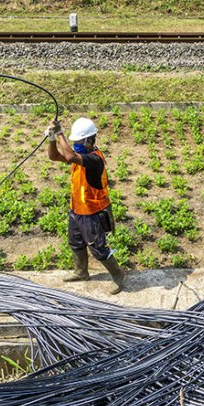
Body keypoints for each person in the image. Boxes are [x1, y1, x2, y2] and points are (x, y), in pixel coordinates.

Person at [46, 117, 124, 294]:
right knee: (76, 242)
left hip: (92, 212)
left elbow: (69, 155)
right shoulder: (80, 157)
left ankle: (118, 274)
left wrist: (59, 132)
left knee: (98, 248)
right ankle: (81, 272)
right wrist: (51, 138)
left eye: (79, 141)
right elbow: (55, 156)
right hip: (77, 210)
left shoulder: (93, 160)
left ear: (90, 140)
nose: (76, 145)